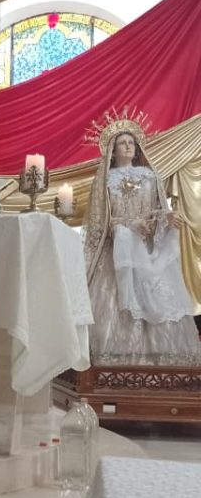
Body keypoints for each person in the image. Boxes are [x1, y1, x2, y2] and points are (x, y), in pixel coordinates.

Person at [82, 115, 201, 366]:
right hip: (117, 253)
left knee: (157, 300)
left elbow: (159, 209)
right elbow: (98, 220)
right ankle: (113, 361)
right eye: (123, 143)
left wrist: (166, 219)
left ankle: (164, 363)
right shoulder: (104, 180)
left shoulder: (150, 176)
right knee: (118, 305)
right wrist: (127, 226)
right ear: (112, 152)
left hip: (146, 251)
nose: (128, 146)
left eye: (131, 142)